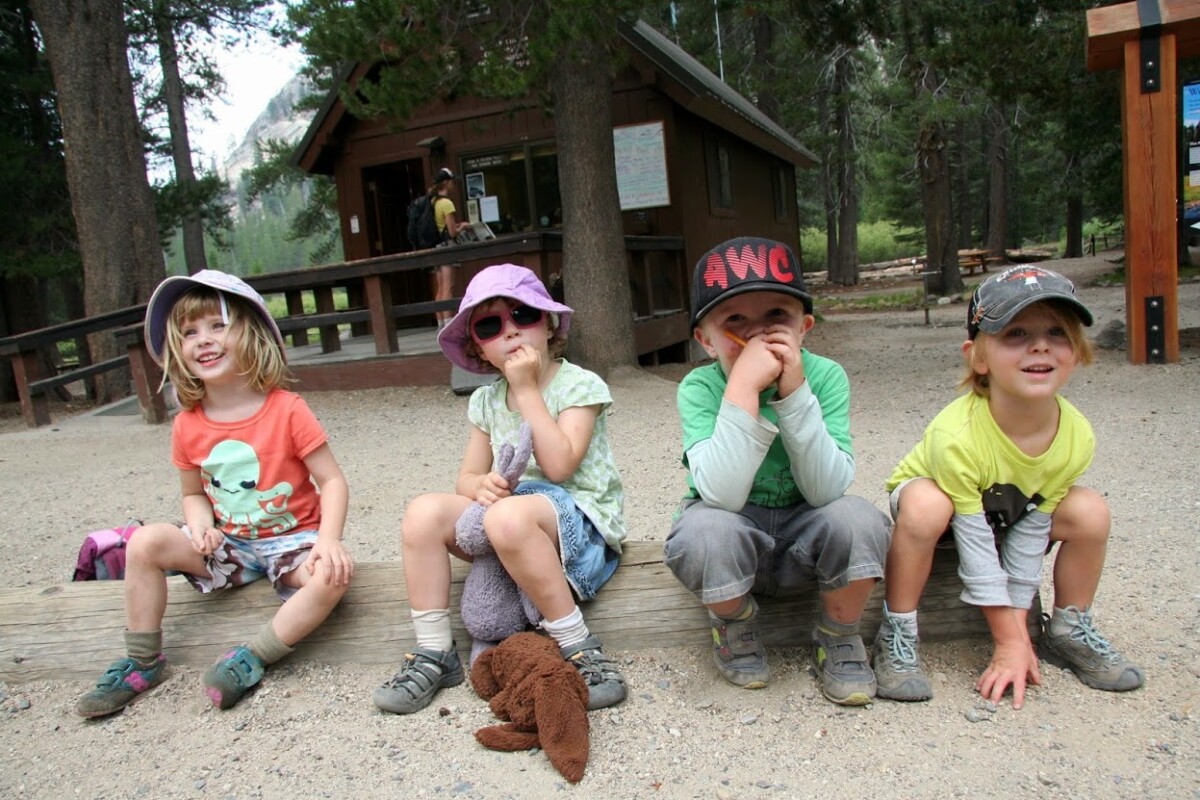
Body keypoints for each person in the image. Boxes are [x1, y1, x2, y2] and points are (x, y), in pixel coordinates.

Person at [74, 270, 354, 718]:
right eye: (189, 332)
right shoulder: (188, 423)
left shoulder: (287, 408)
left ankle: (253, 657)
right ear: (177, 351)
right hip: (229, 544)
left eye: (217, 326)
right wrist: (202, 526)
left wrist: (328, 540)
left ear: (251, 333)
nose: (202, 339)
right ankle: (142, 662)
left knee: (333, 577)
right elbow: (193, 493)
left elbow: (333, 481)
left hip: (294, 541)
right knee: (144, 542)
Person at [874, 266, 1144, 709]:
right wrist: (1008, 641)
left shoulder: (1076, 436)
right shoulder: (958, 436)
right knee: (926, 504)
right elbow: (977, 546)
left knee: (1090, 511)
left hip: (1011, 516)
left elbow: (1031, 533)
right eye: (1015, 333)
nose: (1040, 345)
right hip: (945, 518)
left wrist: (1019, 635)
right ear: (979, 358)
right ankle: (898, 630)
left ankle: (1068, 628)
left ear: (1076, 351)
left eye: (1058, 332)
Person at [373, 263, 628, 714]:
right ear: (479, 348)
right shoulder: (485, 400)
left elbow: (560, 464)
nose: (511, 332)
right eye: (491, 325)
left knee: (507, 516)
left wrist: (527, 391)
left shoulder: (579, 384)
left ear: (549, 324)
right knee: (423, 512)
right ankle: (434, 652)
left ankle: (578, 644)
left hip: (579, 528)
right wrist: (483, 485)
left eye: (524, 315)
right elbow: (466, 478)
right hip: (509, 520)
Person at [663, 236, 892, 706]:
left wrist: (794, 396)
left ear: (804, 327)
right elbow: (722, 494)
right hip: (734, 523)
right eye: (735, 321)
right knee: (701, 532)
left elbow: (827, 489)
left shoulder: (825, 377)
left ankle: (839, 633)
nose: (757, 335)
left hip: (807, 520)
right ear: (706, 340)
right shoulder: (699, 388)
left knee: (862, 520)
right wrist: (743, 388)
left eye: (776, 317)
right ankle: (734, 623)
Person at [428, 167, 470, 329]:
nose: (453, 184)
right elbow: (452, 232)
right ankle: (448, 324)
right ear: (446, 182)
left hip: (436, 247)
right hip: (447, 247)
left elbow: (443, 227)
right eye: (451, 180)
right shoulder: (447, 203)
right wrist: (464, 227)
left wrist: (456, 225)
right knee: (448, 287)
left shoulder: (433, 202)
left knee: (439, 288)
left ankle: (440, 322)